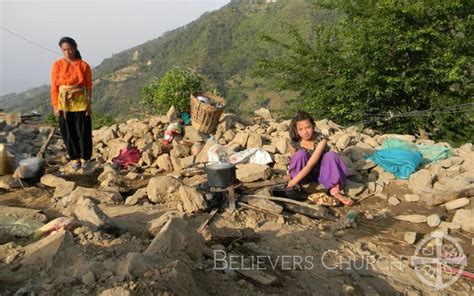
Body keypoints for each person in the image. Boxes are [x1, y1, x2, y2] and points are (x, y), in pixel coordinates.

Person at [287, 111, 354, 206]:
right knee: (300, 154)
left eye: (308, 127)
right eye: (300, 129)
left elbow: (310, 165)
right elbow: (293, 163)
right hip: (304, 177)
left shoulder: (321, 139)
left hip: (322, 174)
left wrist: (291, 183)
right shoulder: (295, 142)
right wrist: (291, 178)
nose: (305, 132)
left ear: (313, 126)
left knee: (331, 155)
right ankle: (298, 186)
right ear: (296, 130)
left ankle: (334, 190)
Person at [50, 37, 93, 171]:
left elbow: (89, 87)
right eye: (64, 50)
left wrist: (89, 105)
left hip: (80, 102)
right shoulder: (57, 65)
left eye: (70, 49)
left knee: (83, 131)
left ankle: (85, 158)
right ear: (61, 50)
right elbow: (54, 87)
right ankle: (74, 158)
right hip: (64, 103)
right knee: (68, 131)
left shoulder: (83, 65)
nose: (67, 52)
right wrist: (56, 106)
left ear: (75, 48)